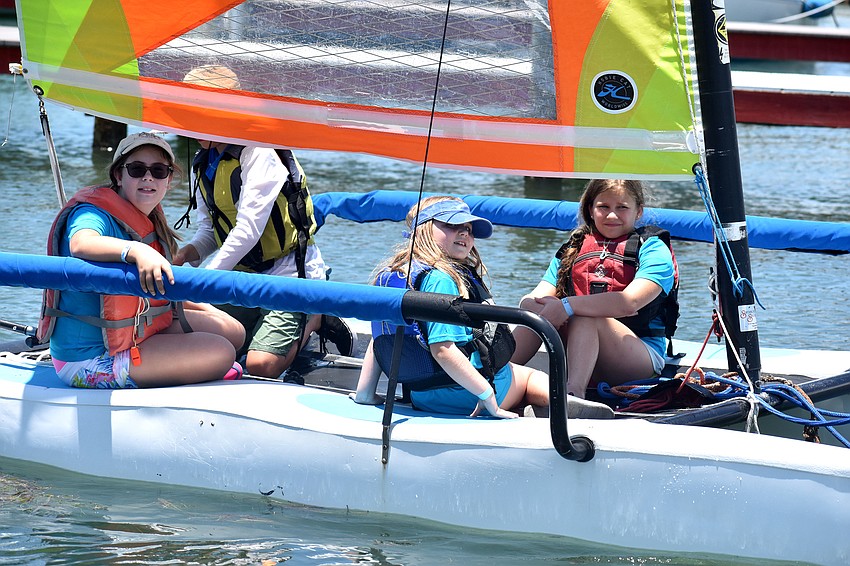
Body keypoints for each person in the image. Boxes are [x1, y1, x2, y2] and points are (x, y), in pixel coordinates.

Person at [173, 65, 354, 379]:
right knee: (186, 333)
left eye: (200, 113)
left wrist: (204, 281)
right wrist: (187, 253)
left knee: (260, 365)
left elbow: (248, 230)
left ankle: (316, 315)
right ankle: (259, 321)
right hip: (241, 276)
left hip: (288, 275)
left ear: (227, 111)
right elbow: (210, 230)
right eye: (188, 113)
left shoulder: (258, 152)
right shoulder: (205, 161)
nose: (191, 124)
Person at [39, 132, 246, 388]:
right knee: (222, 352)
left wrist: (205, 307)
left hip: (139, 327)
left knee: (234, 331)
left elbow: (156, 290)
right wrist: (136, 250)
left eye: (158, 171)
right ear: (119, 175)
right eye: (137, 169)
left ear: (168, 179)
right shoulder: (93, 213)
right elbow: (81, 242)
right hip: (90, 358)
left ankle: (196, 364)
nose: (148, 177)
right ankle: (200, 365)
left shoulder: (147, 216)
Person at [351, 196, 549, 419]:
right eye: (452, 225)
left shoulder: (393, 273)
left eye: (469, 229)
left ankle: (524, 405)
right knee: (527, 377)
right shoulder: (441, 280)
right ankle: (563, 404)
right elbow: (443, 350)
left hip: (421, 395)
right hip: (467, 395)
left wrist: (365, 393)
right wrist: (487, 396)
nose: (464, 233)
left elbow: (381, 338)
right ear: (424, 229)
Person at [512, 179, 677, 417]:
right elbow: (532, 299)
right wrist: (540, 307)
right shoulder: (574, 248)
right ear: (590, 210)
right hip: (580, 349)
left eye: (622, 207)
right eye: (603, 207)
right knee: (536, 317)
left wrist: (567, 305)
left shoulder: (653, 249)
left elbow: (629, 303)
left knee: (583, 315)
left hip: (639, 358)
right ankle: (492, 377)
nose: (612, 215)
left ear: (638, 211)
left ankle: (573, 396)